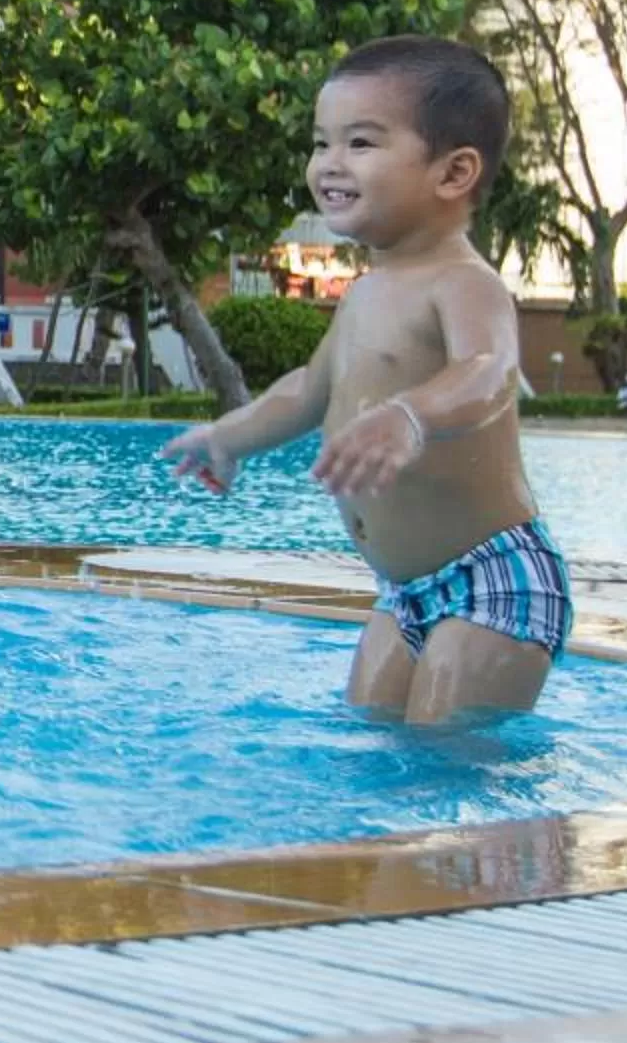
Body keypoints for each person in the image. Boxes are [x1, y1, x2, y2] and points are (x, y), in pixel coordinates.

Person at [161, 36, 562, 725]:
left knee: (443, 750)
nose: (329, 163)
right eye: (322, 143)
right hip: (403, 592)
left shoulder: (465, 282)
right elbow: (308, 389)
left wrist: (411, 415)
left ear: (453, 172)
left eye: (361, 143)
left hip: (492, 581)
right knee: (374, 731)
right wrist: (229, 437)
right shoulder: (365, 293)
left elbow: (488, 371)